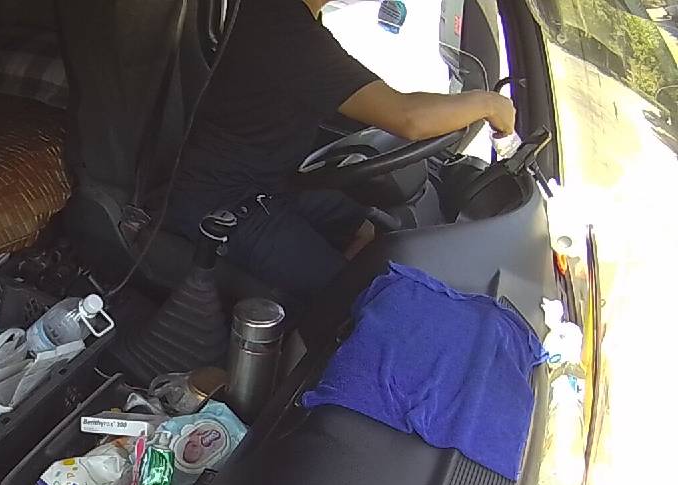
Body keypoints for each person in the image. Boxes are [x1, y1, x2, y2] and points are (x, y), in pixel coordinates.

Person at [165, 0, 516, 298]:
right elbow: (408, 117)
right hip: (222, 202)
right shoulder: (284, 29)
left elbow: (373, 98)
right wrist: (487, 103)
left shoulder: (295, 19)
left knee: (374, 227)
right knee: (352, 298)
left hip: (273, 181)